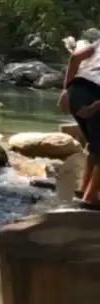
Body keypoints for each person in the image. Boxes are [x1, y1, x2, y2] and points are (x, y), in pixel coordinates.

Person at [58, 39, 100, 208]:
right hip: (95, 93)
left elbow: (75, 58)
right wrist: (96, 106)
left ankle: (84, 191)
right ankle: (90, 200)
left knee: (96, 146)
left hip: (76, 89)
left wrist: (65, 91)